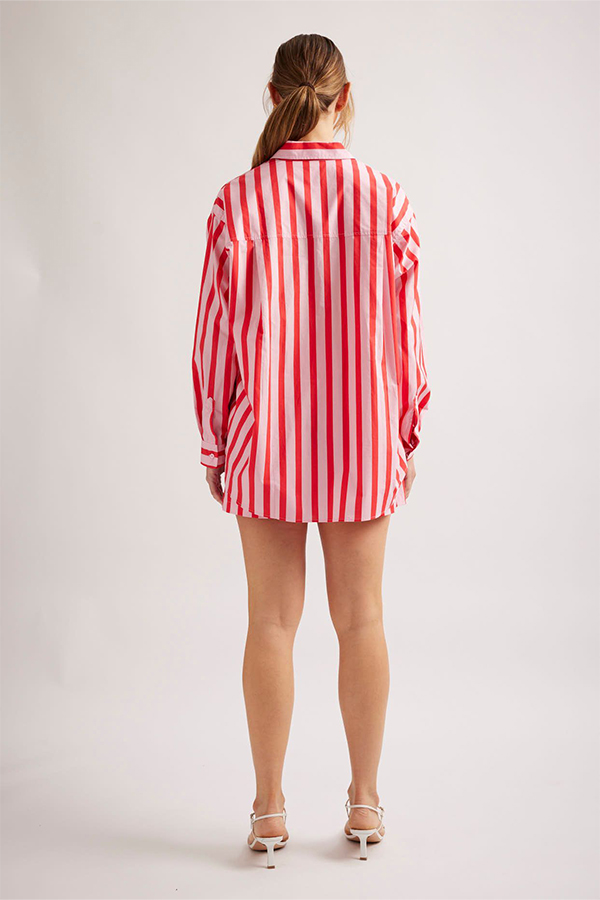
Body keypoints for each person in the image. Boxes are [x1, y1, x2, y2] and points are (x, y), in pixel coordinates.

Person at [191, 32, 430, 867]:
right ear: (345, 96)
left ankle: (268, 810)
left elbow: (213, 342)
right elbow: (407, 336)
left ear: (273, 96)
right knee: (362, 617)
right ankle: (364, 801)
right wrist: (406, 431)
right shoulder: (386, 199)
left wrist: (216, 444)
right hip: (362, 440)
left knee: (270, 621)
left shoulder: (238, 204)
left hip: (265, 444)